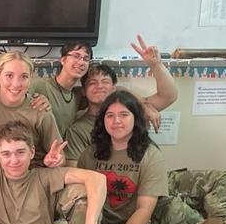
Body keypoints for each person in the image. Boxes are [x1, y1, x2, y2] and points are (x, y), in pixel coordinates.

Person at [73, 90, 174, 224]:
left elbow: (144, 210)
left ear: (136, 118)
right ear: (103, 121)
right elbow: (78, 199)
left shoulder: (151, 155)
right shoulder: (90, 154)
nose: (116, 121)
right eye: (110, 115)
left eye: (124, 115)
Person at [65, 36, 178, 165]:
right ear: (83, 91)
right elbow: (75, 171)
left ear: (114, 88)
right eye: (92, 83)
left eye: (105, 81)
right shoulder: (78, 130)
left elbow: (168, 97)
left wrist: (156, 65)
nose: (99, 86)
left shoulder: (130, 114)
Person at [0, 52, 64, 165]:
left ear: (30, 79)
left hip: (33, 171)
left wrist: (55, 160)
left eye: (24, 77)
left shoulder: (40, 110)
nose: (16, 84)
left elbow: (60, 155)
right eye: (9, 75)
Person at [29, 41, 92, 140]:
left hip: (60, 152)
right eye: (76, 56)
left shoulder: (78, 95)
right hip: (36, 153)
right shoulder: (40, 86)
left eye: (86, 58)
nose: (81, 62)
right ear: (63, 60)